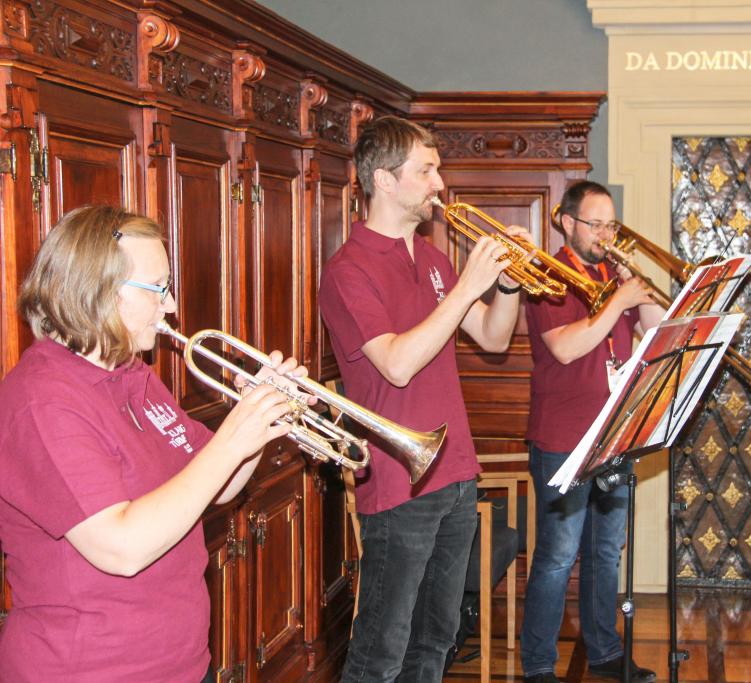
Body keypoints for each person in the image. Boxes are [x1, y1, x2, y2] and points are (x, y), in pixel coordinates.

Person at [0, 206, 309, 682]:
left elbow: (217, 485)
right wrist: (234, 438)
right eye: (158, 288)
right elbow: (122, 547)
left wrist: (262, 421)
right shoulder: (40, 401)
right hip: (90, 670)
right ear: (99, 290)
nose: (171, 307)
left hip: (181, 663)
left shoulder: (132, 374)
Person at [318, 116, 528, 683]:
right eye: (427, 170)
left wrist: (506, 285)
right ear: (384, 181)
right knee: (381, 651)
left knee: (436, 639)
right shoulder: (348, 270)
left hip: (454, 469)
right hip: (397, 480)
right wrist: (466, 288)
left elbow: (494, 337)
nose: (439, 183)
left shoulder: (432, 258)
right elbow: (399, 363)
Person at [520, 180, 664, 683]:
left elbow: (659, 327)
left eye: (610, 225)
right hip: (563, 438)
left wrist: (636, 287)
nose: (605, 234)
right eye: (595, 224)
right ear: (566, 220)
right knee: (558, 557)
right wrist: (616, 300)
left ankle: (604, 650)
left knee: (606, 551)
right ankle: (538, 665)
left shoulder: (611, 274)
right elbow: (565, 347)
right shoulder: (547, 274)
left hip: (615, 434)